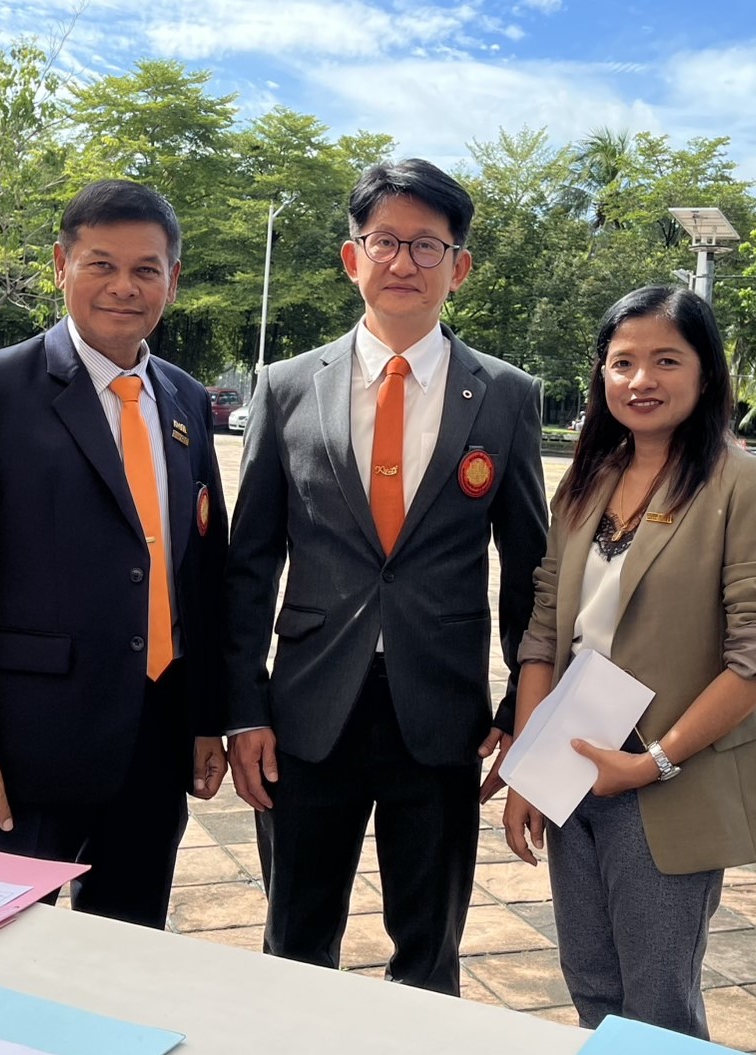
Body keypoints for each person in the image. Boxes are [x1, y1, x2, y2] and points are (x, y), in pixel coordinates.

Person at [223, 159, 548, 995]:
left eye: (427, 245)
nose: (404, 261)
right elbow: (250, 562)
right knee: (295, 943)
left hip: (441, 717)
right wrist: (243, 708)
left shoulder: (505, 396)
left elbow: (529, 567)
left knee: (429, 950)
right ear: (351, 257)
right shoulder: (286, 387)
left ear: (458, 267)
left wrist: (523, 708)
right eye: (384, 241)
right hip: (305, 714)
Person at [0, 180, 229, 928]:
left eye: (146, 269)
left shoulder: (184, 399)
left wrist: (206, 717)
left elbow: (203, 572)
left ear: (173, 279)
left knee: (127, 945)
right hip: (27, 748)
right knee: (5, 948)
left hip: (155, 739)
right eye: (101, 264)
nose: (124, 286)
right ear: (61, 265)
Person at [503, 286, 756, 1037]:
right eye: (623, 362)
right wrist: (529, 771)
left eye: (666, 360)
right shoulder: (586, 482)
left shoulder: (744, 485)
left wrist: (653, 762)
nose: (641, 379)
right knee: (591, 984)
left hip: (669, 779)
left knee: (658, 1005)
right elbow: (544, 633)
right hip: (573, 770)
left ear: (705, 372)